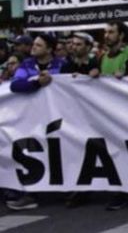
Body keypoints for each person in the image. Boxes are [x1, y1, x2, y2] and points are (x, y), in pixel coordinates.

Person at [6, 33, 67, 211]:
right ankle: (31, 194)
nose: (33, 47)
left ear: (49, 49)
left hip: (58, 117)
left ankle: (70, 189)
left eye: (39, 45)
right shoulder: (26, 64)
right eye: (34, 44)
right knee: (33, 152)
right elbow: (15, 85)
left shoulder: (62, 64)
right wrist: (37, 83)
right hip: (32, 118)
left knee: (61, 150)